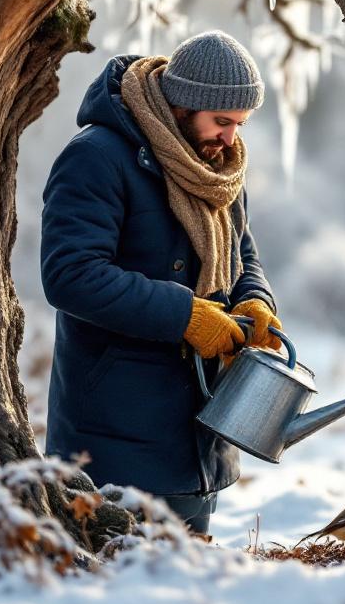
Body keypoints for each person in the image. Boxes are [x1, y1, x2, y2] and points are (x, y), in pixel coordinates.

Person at [40, 30, 283, 535]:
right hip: (113, 443)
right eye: (221, 122)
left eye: (239, 124)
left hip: (198, 445)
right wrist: (185, 316)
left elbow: (242, 254)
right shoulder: (97, 157)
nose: (230, 139)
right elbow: (70, 274)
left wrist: (255, 301)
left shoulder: (218, 169)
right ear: (182, 105)